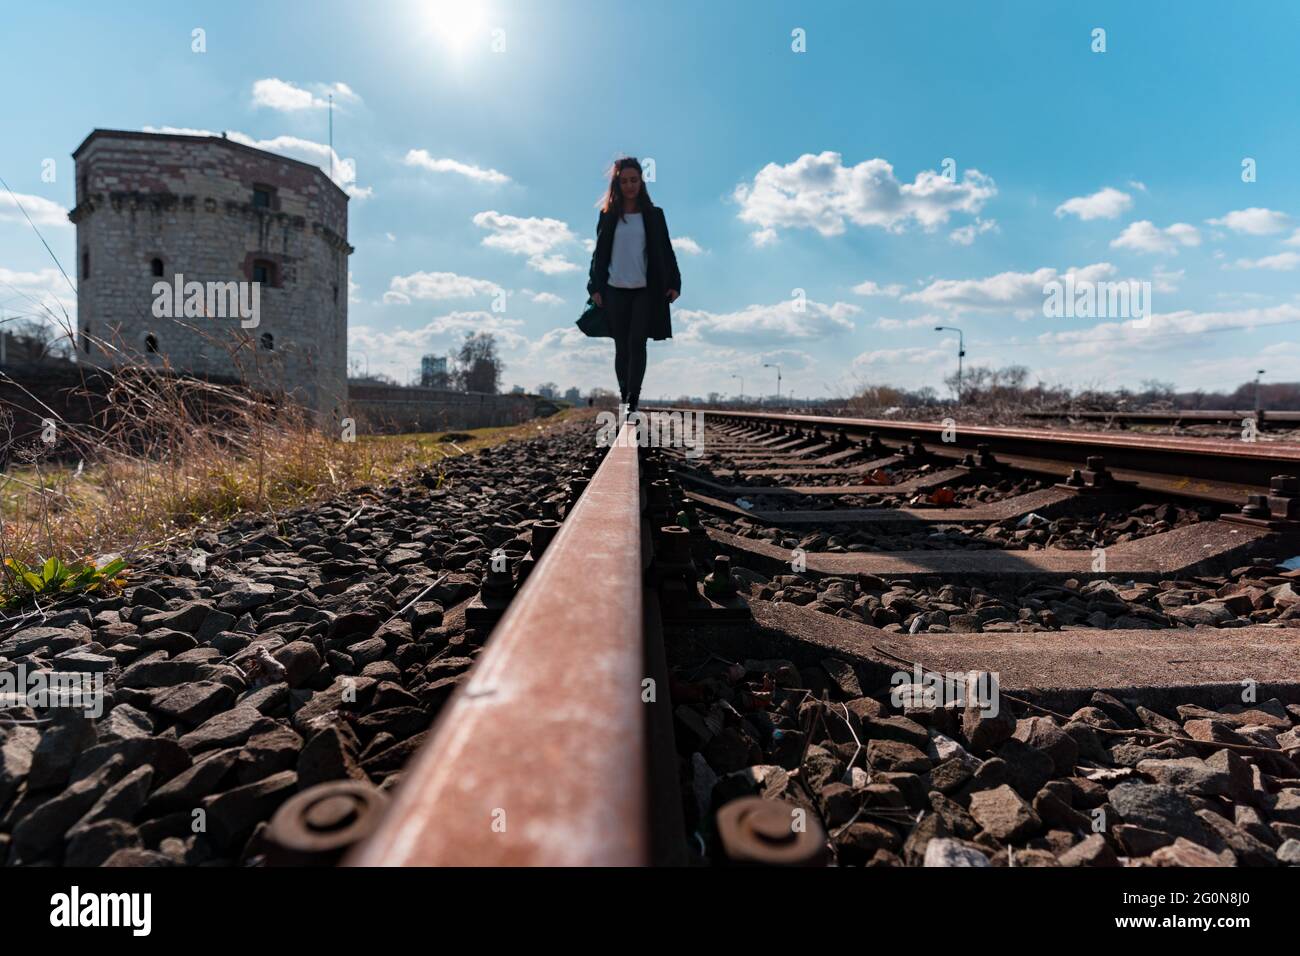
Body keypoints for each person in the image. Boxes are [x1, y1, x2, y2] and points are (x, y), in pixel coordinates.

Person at [586, 157, 681, 415]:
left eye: (634, 180)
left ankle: (632, 400)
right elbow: (599, 254)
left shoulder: (654, 215)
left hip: (645, 290)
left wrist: (674, 283)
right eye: (624, 181)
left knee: (637, 342)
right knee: (622, 346)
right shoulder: (607, 216)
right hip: (614, 289)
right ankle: (624, 393)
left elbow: (666, 250)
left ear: (641, 181)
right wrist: (594, 286)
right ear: (617, 184)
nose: (629, 185)